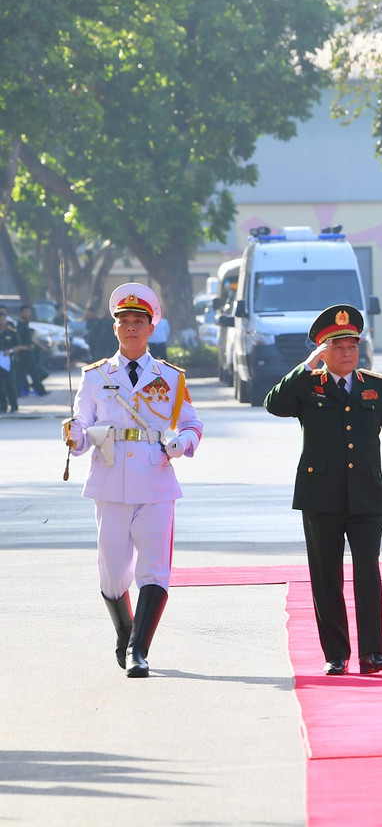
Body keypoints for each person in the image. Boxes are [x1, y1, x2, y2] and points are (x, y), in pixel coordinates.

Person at [265, 304, 382, 676]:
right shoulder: (308, 386)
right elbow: (274, 404)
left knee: (368, 572)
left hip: (366, 495)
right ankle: (336, 654)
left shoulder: (375, 387)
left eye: (352, 346)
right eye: (337, 348)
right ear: (322, 352)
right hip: (321, 497)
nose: (347, 353)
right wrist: (305, 368)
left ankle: (372, 653)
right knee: (326, 576)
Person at [62, 283, 204, 678]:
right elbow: (82, 431)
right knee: (111, 571)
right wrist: (74, 436)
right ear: (115, 329)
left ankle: (140, 650)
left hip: (155, 480)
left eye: (137, 321)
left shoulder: (170, 378)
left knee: (155, 569)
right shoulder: (94, 377)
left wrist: (181, 443)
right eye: (123, 322)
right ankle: (125, 632)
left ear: (150, 327)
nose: (130, 328)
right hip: (109, 482)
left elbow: (192, 424)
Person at [14, 304, 49, 397]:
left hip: (27, 351)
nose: (28, 314)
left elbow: (30, 338)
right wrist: (22, 347)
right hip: (23, 352)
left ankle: (18, 392)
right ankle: (41, 391)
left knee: (21, 373)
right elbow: (18, 339)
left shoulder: (25, 323)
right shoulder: (20, 325)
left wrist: (40, 346)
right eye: (26, 312)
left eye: (29, 312)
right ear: (22, 313)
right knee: (33, 372)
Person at [0, 306, 19, 412]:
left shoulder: (11, 332)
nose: (1, 322)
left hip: (9, 362)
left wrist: (10, 351)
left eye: (3, 319)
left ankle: (14, 405)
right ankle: (3, 405)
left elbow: (19, 346)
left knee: (10, 385)